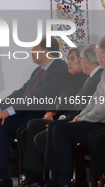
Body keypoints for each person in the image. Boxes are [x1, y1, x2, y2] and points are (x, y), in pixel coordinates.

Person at [0, 37, 69, 187]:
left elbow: (39, 97)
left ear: (47, 52)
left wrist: (9, 112)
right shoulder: (39, 70)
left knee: (0, 123)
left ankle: (2, 177)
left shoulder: (59, 69)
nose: (31, 51)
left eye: (35, 49)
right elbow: (20, 92)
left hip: (37, 115)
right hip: (24, 112)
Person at [17, 44, 102, 187]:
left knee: (55, 130)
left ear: (86, 61)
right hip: (78, 118)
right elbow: (71, 103)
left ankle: (61, 179)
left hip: (92, 122)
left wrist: (68, 118)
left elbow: (87, 108)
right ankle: (39, 176)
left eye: (74, 59)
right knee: (29, 129)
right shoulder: (76, 78)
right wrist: (52, 112)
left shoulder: (93, 78)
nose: (69, 62)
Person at [41, 37, 105, 187]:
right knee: (55, 127)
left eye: (97, 53)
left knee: (61, 129)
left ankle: (65, 181)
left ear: (102, 54)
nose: (96, 56)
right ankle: (55, 178)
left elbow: (101, 109)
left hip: (98, 122)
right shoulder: (103, 75)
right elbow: (93, 103)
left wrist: (83, 118)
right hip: (93, 119)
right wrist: (79, 116)